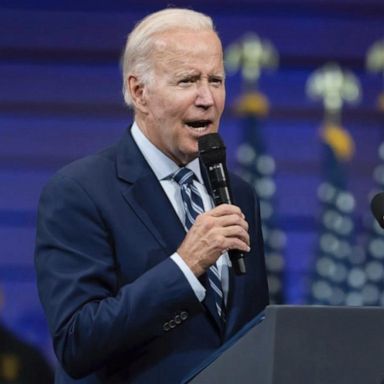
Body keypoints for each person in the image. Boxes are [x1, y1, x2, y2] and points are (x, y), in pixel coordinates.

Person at [34, 8, 269, 384]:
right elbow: (76, 342)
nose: (207, 98)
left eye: (217, 79)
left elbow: (248, 327)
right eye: (187, 80)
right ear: (139, 92)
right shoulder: (79, 191)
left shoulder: (238, 192)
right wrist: (185, 266)